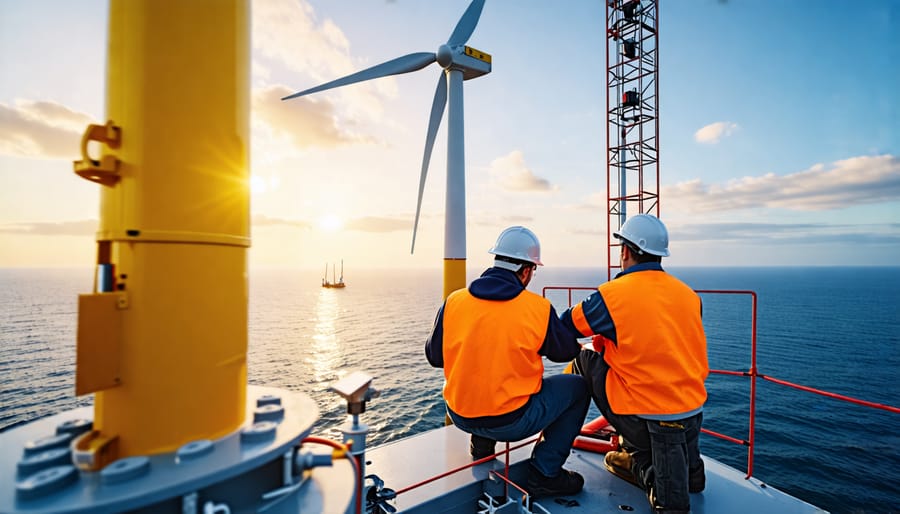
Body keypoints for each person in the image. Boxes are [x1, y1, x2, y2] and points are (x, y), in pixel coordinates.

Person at [425, 226, 590, 498]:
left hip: (460, 415)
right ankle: (545, 473)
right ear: (525, 271)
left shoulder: (454, 301)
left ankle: (482, 449)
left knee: (485, 377)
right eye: (533, 271)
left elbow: (434, 357)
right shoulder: (536, 308)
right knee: (579, 388)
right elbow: (564, 353)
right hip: (512, 422)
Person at [560, 214, 708, 514]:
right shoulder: (688, 295)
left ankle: (558, 454)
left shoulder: (613, 296)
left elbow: (566, 326)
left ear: (625, 251)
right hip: (693, 414)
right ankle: (687, 468)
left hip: (644, 420)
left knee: (581, 358)